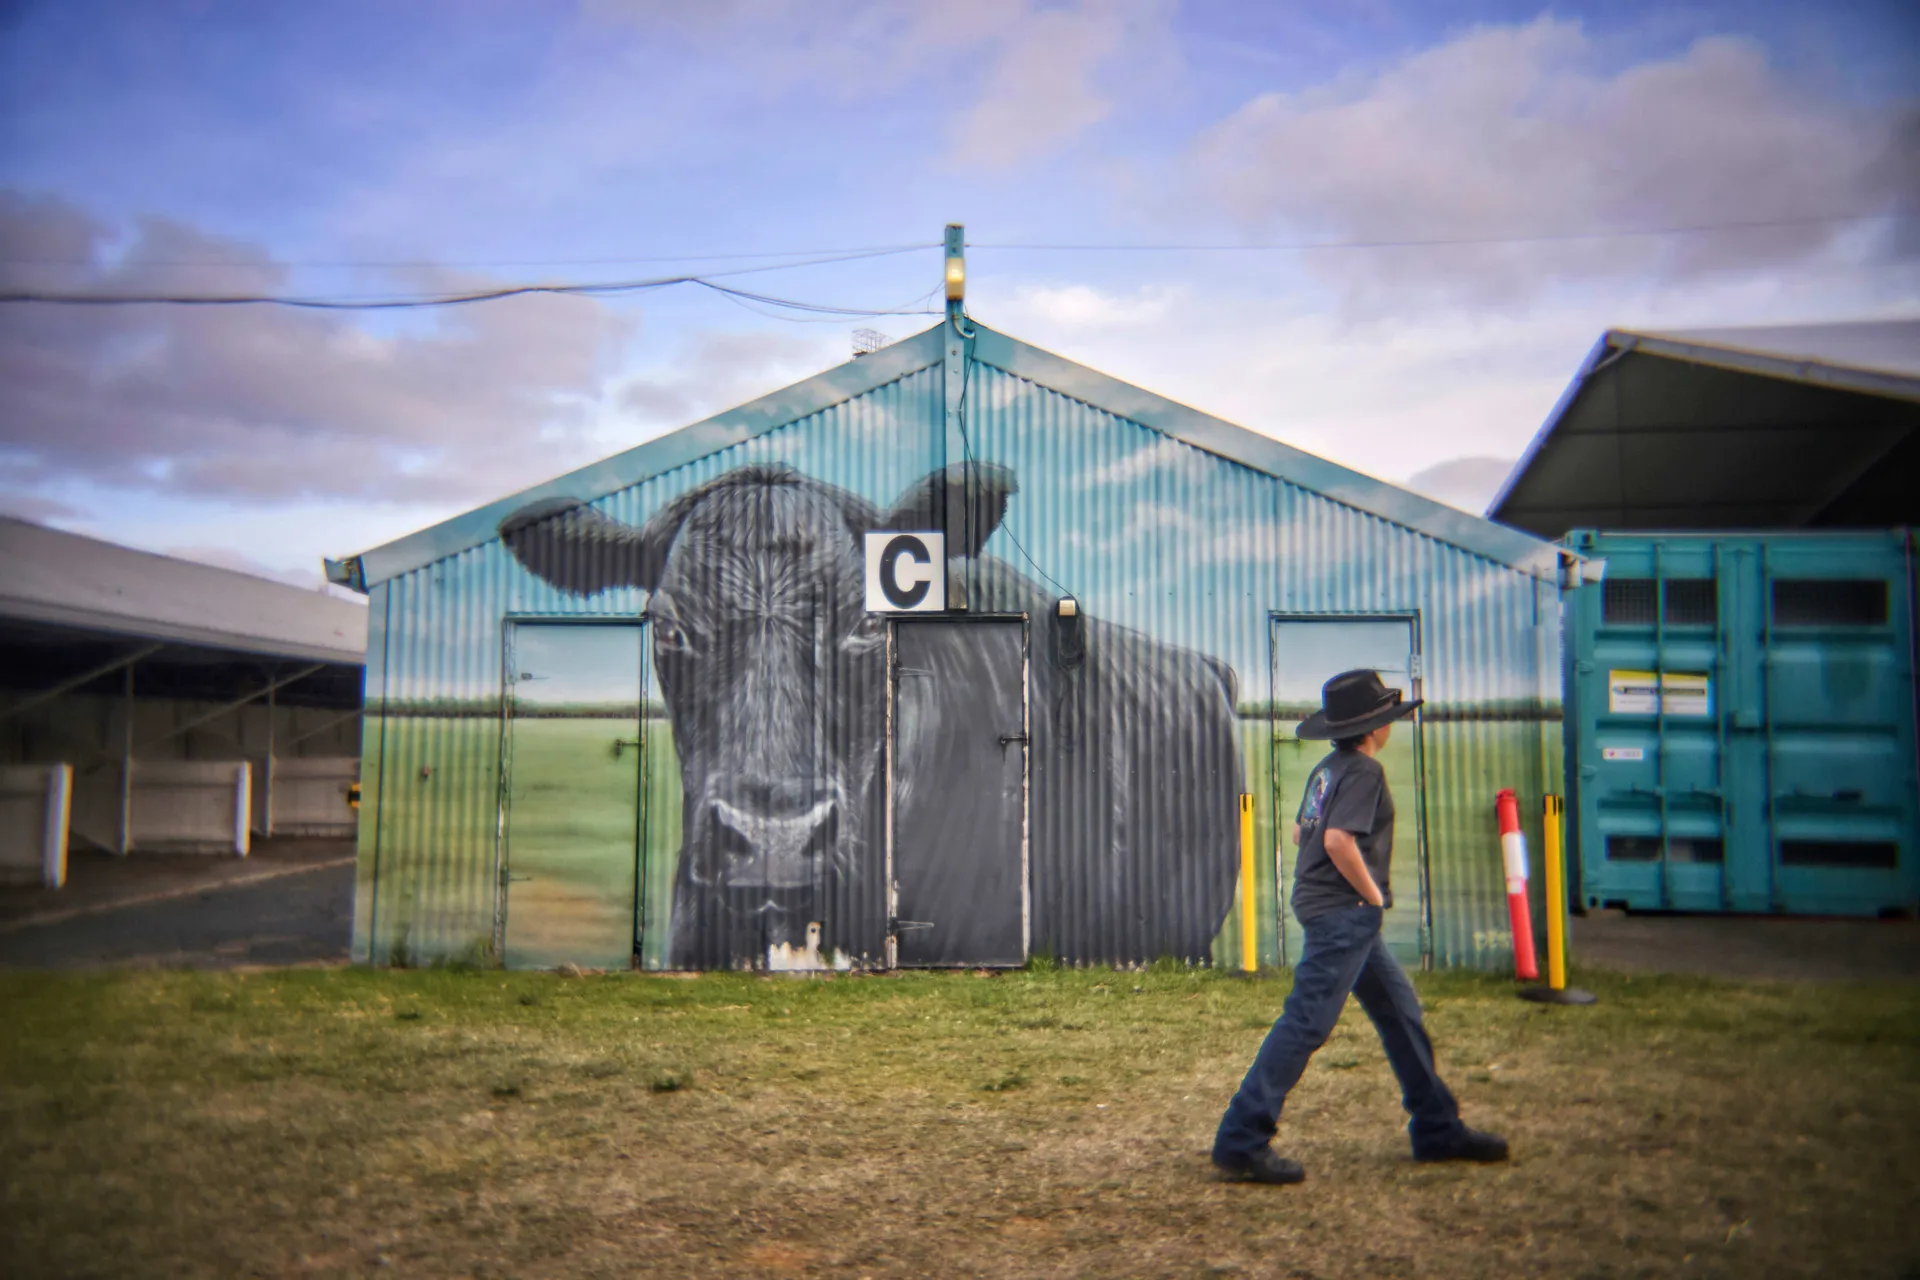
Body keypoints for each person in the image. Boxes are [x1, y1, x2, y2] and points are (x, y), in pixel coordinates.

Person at [1212, 668, 1508, 1184]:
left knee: (1400, 1012)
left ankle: (1437, 1127)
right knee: (1307, 1021)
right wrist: (1372, 897)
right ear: (1375, 727)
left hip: (1331, 909)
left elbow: (1303, 828)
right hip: (1344, 913)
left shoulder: (1328, 768)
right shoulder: (1365, 772)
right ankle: (1241, 1139)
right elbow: (1337, 841)